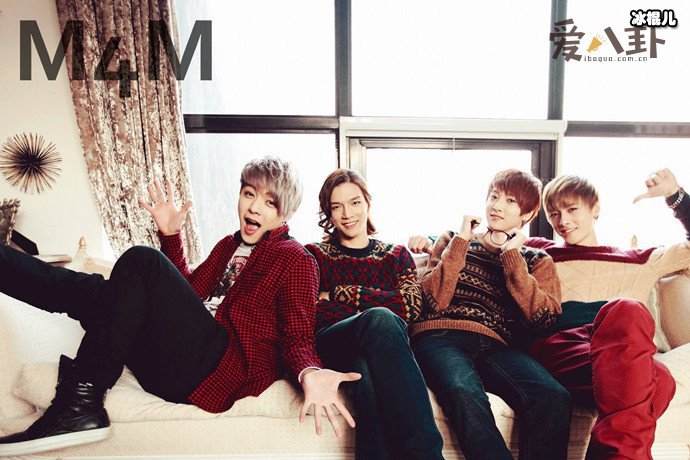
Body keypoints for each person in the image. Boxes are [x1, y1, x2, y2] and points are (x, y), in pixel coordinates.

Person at [0, 157, 359, 457]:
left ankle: (80, 402)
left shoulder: (295, 259)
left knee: (142, 261)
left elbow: (298, 335)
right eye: (249, 194)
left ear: (286, 213)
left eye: (269, 202)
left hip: (221, 367)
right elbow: (185, 294)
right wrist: (171, 236)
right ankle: (76, 405)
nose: (253, 207)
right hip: (176, 362)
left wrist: (309, 371)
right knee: (98, 292)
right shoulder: (228, 246)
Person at [521, 168, 689, 460]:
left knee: (638, 333)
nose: (563, 221)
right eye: (554, 214)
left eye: (572, 209)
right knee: (656, 379)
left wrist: (676, 197)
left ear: (595, 208)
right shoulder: (539, 252)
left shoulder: (640, 259)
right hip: (562, 343)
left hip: (622, 345)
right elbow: (486, 242)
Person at [407, 169, 571, 460]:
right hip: (441, 335)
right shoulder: (453, 240)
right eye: (493, 197)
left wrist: (512, 257)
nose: (497, 206)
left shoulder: (536, 259)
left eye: (510, 201)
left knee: (553, 396)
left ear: (527, 214)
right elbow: (433, 301)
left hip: (497, 346)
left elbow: (543, 320)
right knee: (464, 390)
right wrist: (461, 241)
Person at [305, 169, 444, 460]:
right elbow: (311, 310)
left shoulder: (396, 255)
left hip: (379, 351)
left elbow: (411, 307)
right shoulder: (313, 255)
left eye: (355, 202)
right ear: (328, 212)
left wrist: (342, 293)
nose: (347, 214)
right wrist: (377, 308)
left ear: (368, 202)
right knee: (381, 319)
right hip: (333, 342)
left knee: (366, 374)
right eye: (337, 206)